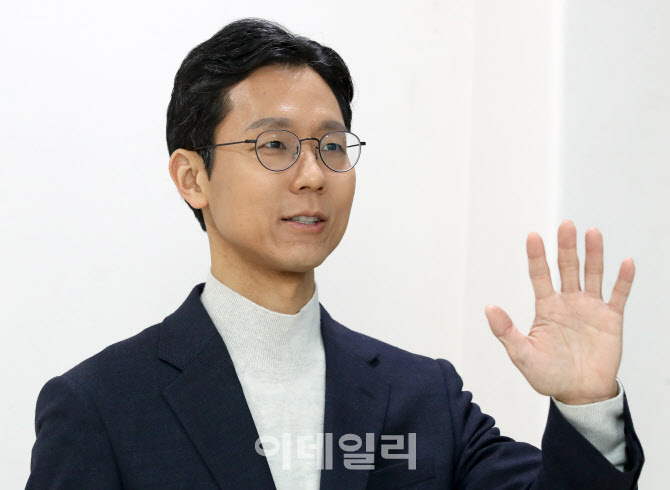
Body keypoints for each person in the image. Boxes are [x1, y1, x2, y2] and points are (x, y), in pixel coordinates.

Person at [25, 17, 644, 489]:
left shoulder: (424, 396)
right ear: (192, 178)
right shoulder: (100, 406)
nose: (313, 175)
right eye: (274, 145)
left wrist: (587, 404)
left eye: (331, 146)